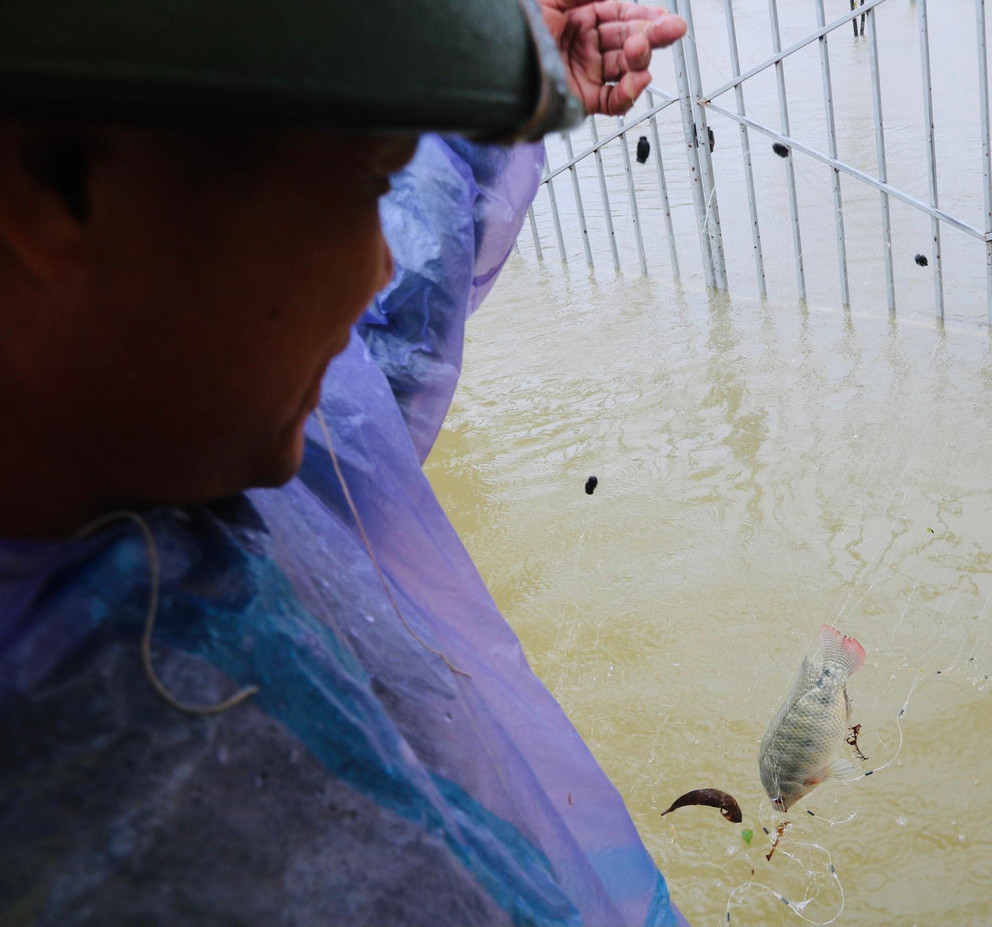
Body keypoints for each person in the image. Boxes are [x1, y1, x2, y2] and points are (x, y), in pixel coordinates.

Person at [0, 1, 686, 924]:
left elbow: (391, 319)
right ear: (54, 178)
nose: (374, 264)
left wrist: (492, 98)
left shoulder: (173, 419)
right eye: (367, 186)